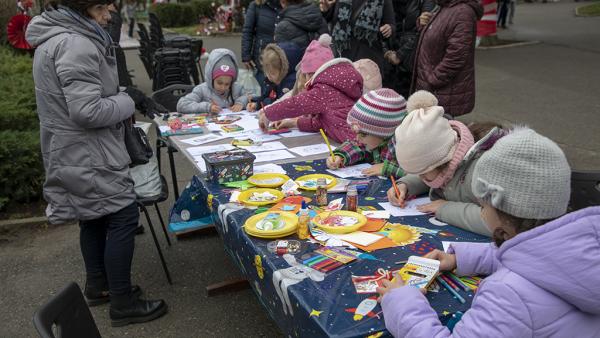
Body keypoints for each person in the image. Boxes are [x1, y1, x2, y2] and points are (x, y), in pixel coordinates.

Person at [377, 127, 600, 337]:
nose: (481, 213)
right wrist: (461, 258)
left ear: (499, 210)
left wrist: (401, 303)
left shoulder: (507, 294)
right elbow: (541, 261)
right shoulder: (581, 247)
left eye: (482, 206)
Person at [26, 0, 167, 326]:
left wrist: (122, 91)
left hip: (71, 151)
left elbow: (85, 92)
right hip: (90, 153)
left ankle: (99, 285)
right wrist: (127, 99)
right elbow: (87, 111)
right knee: (123, 213)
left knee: (92, 217)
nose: (109, 15)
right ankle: (123, 301)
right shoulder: (76, 44)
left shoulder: (55, 38)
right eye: (101, 8)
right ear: (81, 9)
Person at [388, 91, 506, 236]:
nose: (421, 177)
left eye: (423, 172)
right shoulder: (448, 157)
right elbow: (436, 175)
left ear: (443, 162)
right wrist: (406, 185)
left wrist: (444, 208)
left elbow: (497, 223)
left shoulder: (481, 169)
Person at [258, 57, 363, 143]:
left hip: (358, 146)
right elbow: (323, 123)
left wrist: (268, 114)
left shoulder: (324, 90)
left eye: (306, 75)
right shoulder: (341, 88)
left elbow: (296, 104)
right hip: (358, 142)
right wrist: (294, 123)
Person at [411, 0, 483, 116]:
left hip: (442, 94)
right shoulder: (445, 7)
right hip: (433, 91)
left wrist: (433, 79)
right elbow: (439, 37)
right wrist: (424, 24)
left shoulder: (462, 13)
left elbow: (456, 56)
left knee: (437, 132)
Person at [326, 88, 407, 178]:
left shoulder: (404, 143)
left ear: (383, 133)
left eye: (363, 134)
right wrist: (340, 156)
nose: (357, 138)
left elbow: (418, 173)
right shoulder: (376, 140)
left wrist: (388, 168)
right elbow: (358, 146)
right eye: (356, 133)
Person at [320, 0, 396, 75]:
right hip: (341, 55)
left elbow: (391, 24)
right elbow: (329, 17)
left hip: (367, 58)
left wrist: (389, 29)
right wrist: (326, 10)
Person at [383, 0, 435, 97]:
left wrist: (399, 55)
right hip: (387, 60)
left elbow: (423, 30)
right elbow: (379, 24)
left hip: (410, 60)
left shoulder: (426, 2)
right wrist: (386, 51)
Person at [177, 48, 250, 114]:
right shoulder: (202, 89)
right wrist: (207, 107)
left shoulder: (237, 88)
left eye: (227, 84)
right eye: (219, 83)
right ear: (211, 78)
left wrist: (241, 102)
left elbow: (252, 96)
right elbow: (182, 105)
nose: (223, 87)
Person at [247, 42, 304, 110]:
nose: (269, 77)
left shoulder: (291, 82)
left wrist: (259, 104)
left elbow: (279, 102)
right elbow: (266, 96)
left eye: (272, 73)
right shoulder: (273, 80)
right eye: (266, 73)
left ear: (284, 70)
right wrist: (255, 101)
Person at [241, 0, 281, 95]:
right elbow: (248, 31)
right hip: (262, 60)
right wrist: (246, 56)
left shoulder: (288, 4)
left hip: (284, 58)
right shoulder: (256, 5)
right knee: (264, 94)